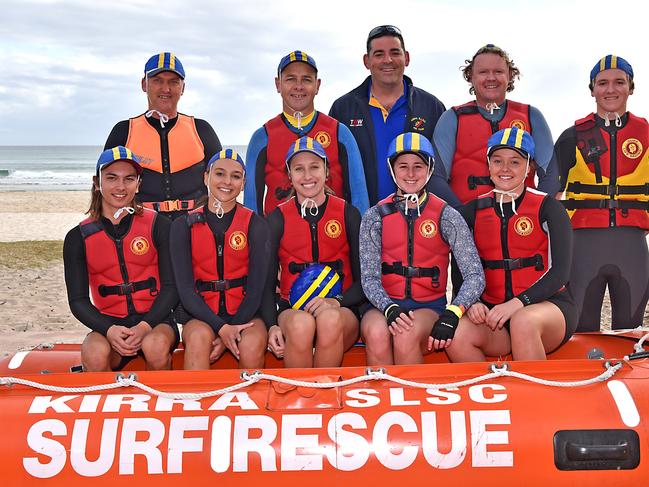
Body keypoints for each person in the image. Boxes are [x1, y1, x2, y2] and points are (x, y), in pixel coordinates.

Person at [448, 128, 577, 362]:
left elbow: (561, 273)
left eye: (515, 162)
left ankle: (535, 396)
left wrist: (517, 304)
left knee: (523, 321)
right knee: (457, 334)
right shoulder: (470, 212)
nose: (505, 169)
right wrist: (470, 301)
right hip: (493, 314)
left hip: (545, 309)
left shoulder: (549, 208)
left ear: (529, 167)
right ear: (488, 165)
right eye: (498, 161)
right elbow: (460, 267)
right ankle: (488, 395)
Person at [359, 132, 484, 365]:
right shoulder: (374, 216)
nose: (410, 173)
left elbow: (475, 275)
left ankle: (413, 398)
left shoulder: (447, 215)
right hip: (381, 305)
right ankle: (383, 399)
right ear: (392, 169)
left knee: (405, 335)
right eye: (403, 166)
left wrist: (454, 312)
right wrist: (389, 308)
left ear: (430, 169)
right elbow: (368, 277)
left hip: (428, 306)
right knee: (377, 335)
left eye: (418, 166)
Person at [555, 55, 649, 331]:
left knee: (630, 332)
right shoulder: (571, 137)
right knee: (582, 331)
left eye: (619, 82)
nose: (610, 90)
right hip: (582, 246)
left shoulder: (646, 134)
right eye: (603, 83)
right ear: (592, 88)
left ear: (631, 87)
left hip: (632, 246)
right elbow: (549, 196)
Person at [63, 146, 179, 371]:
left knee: (154, 345)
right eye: (112, 178)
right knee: (93, 352)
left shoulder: (160, 226)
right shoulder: (77, 237)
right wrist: (109, 330)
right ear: (97, 183)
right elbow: (78, 301)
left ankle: (160, 401)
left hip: (155, 322)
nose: (120, 186)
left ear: (139, 184)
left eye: (129, 179)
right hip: (109, 323)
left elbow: (171, 287)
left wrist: (145, 327)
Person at [262, 136, 364, 368]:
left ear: (327, 171)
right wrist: (271, 326)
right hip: (293, 312)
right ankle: (299, 397)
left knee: (328, 319)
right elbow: (266, 284)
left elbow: (365, 281)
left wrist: (336, 302)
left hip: (342, 311)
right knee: (302, 324)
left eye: (315, 167)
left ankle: (324, 393)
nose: (307, 176)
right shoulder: (277, 219)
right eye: (299, 169)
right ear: (289, 175)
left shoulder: (348, 214)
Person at [170, 149, 269, 370]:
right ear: (206, 177)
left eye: (235, 176)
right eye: (220, 174)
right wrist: (222, 328)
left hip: (246, 314)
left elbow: (256, 289)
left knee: (251, 345)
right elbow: (185, 292)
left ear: (243, 183)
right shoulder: (182, 226)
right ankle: (195, 400)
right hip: (201, 314)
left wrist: (230, 331)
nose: (227, 181)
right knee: (197, 340)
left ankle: (250, 402)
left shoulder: (256, 224)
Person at [329, 25, 447, 205]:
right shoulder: (343, 109)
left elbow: (441, 171)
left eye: (394, 52)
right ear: (366, 61)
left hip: (418, 222)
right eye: (379, 54)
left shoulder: (431, 107)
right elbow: (334, 171)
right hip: (360, 220)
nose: (388, 60)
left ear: (406, 58)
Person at [244, 50, 369, 215]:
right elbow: (251, 206)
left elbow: (360, 198)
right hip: (278, 237)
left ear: (317, 85)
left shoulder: (339, 133)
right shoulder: (262, 137)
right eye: (290, 79)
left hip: (334, 235)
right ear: (278, 84)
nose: (298, 86)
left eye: (306, 79)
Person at [433, 44, 558, 207]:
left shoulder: (531, 116)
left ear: (510, 75)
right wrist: (462, 217)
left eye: (498, 72)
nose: (491, 78)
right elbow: (435, 177)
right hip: (468, 219)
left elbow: (551, 176)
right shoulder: (452, 119)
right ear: (471, 76)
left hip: (523, 221)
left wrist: (536, 212)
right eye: (483, 72)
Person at [105, 52, 222, 219]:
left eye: (173, 82)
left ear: (183, 88)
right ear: (144, 84)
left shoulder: (201, 130)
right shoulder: (124, 131)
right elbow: (105, 188)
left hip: (194, 225)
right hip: (142, 228)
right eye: (157, 80)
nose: (165, 89)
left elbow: (224, 182)